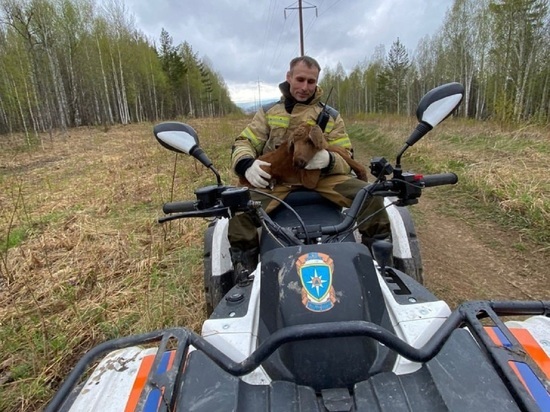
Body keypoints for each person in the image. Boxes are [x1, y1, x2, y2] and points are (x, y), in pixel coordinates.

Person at [229, 55, 390, 278]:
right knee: (239, 207)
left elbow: (347, 154)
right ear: (289, 77)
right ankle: (245, 274)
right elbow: (244, 141)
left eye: (311, 81)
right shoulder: (269, 113)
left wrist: (329, 161)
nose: (305, 87)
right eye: (300, 79)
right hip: (278, 181)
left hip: (322, 179)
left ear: (317, 82)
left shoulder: (331, 117)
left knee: (370, 196)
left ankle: (382, 267)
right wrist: (246, 164)